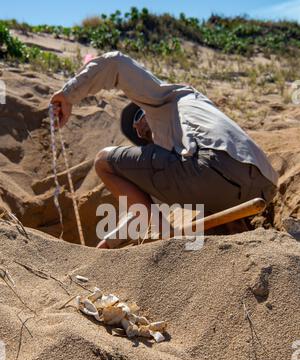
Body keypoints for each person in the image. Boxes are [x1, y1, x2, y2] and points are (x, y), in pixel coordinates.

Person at [50, 51, 278, 248]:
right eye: (137, 136)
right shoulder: (188, 132)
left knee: (103, 161)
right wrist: (110, 241)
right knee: (210, 231)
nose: (138, 130)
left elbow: (115, 63)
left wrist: (69, 94)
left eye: (138, 117)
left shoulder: (168, 98)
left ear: (143, 105)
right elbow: (145, 207)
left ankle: (167, 240)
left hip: (211, 164)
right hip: (263, 186)